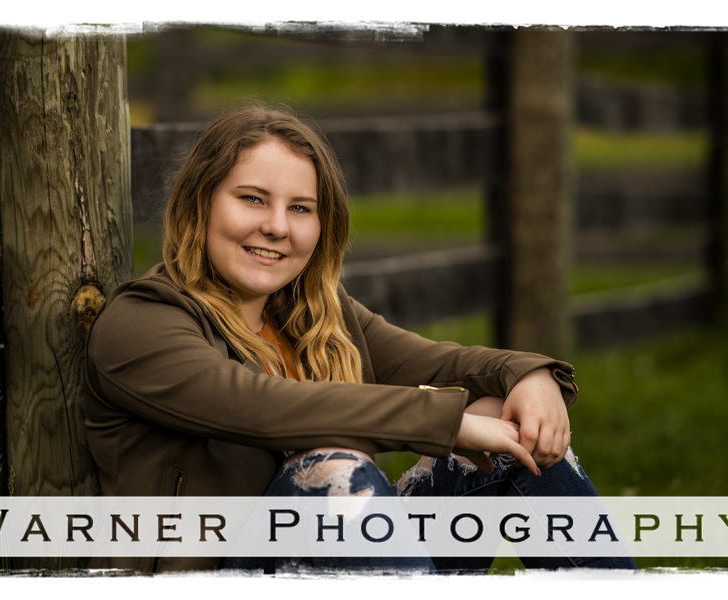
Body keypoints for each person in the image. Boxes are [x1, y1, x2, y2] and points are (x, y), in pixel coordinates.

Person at [84, 104, 636, 574]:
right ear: (200, 203)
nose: (277, 226)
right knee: (333, 469)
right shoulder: (142, 324)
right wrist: (447, 422)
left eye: (300, 208)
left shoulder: (316, 316)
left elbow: (449, 365)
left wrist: (529, 375)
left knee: (507, 422)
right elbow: (264, 407)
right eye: (252, 199)